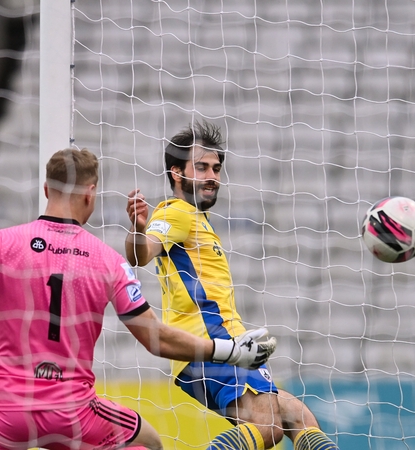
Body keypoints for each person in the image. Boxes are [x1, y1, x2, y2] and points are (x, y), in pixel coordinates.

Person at [0, 148, 276, 450]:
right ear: (90, 194)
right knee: (148, 441)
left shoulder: (0, 242)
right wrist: (229, 351)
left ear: (46, 190)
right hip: (73, 413)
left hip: (3, 411)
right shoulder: (109, 261)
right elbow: (156, 339)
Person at [124, 122, 339, 450]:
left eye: (216, 168)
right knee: (267, 427)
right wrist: (138, 230)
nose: (212, 176)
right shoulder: (177, 212)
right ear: (177, 173)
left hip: (226, 345)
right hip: (212, 344)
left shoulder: (198, 220)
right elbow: (141, 253)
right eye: (201, 167)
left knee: (300, 418)